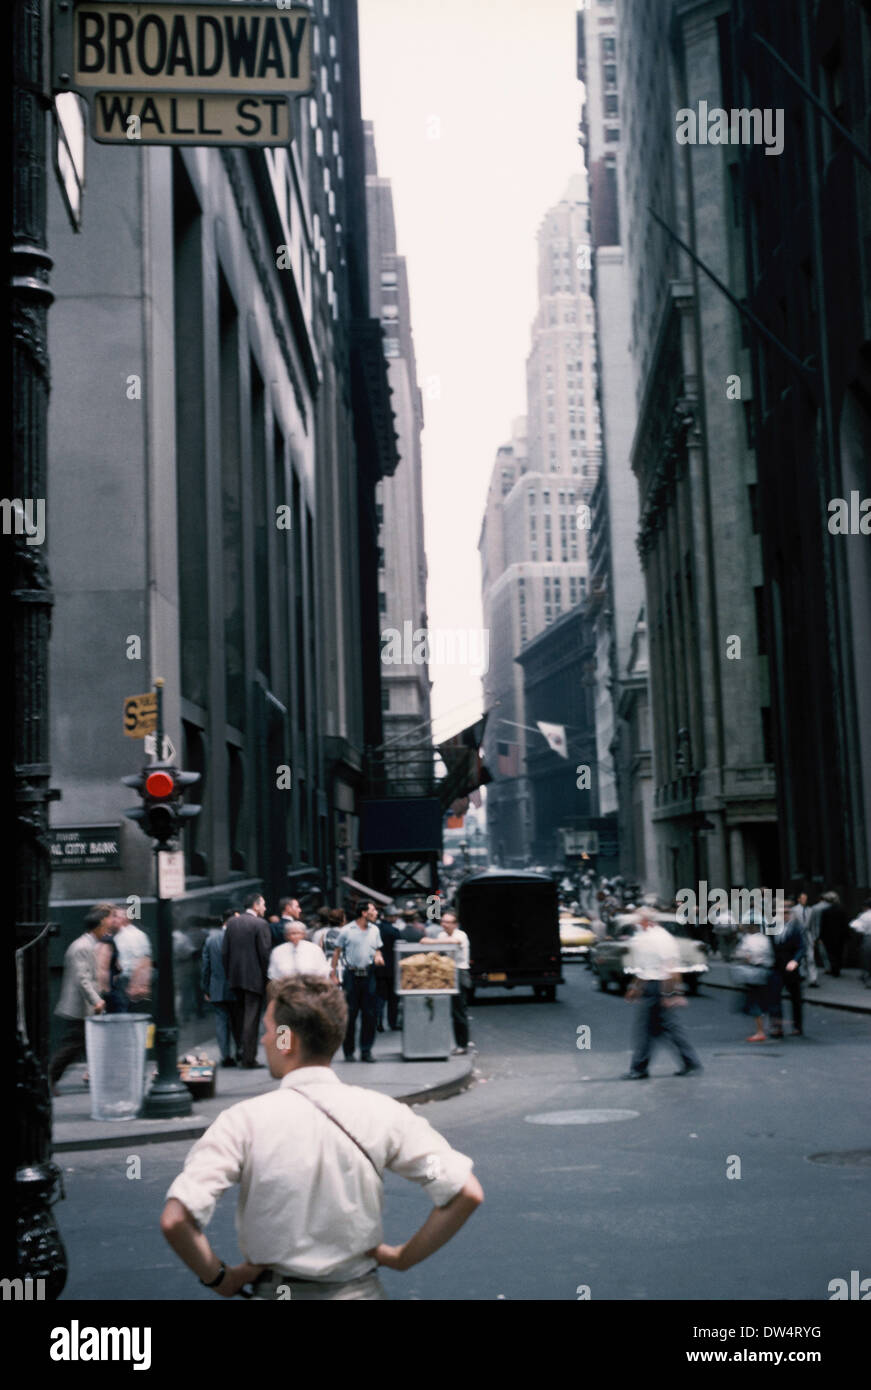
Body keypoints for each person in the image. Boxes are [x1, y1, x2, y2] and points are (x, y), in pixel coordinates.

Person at [160, 976, 483, 1300]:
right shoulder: (382, 1113)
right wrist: (402, 1258)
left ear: (287, 1039)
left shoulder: (242, 1122)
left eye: (269, 1030)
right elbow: (465, 1193)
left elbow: (177, 1220)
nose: (263, 1041)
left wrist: (221, 1278)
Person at [622, 908, 702, 1079]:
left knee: (648, 1028)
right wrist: (635, 987)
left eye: (638, 919)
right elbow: (644, 968)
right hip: (650, 985)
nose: (635, 923)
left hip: (658, 987)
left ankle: (639, 1068)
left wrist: (672, 993)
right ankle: (689, 1062)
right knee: (665, 1028)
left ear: (647, 920)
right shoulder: (644, 938)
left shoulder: (661, 938)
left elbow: (670, 967)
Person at [49, 903, 114, 1093]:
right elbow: (83, 979)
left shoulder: (88, 945)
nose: (109, 928)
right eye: (107, 924)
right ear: (100, 925)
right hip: (79, 1007)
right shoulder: (82, 947)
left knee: (87, 1044)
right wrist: (97, 1001)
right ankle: (49, 1077)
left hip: (86, 1006)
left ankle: (99, 1078)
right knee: (72, 1047)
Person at [222, 892, 271, 1068]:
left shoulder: (232, 923)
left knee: (239, 1017)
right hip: (254, 978)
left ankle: (241, 1050)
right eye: (263, 904)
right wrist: (267, 978)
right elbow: (264, 954)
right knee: (251, 1019)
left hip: (235, 978)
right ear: (256, 906)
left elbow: (225, 952)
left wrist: (230, 974)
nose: (265, 908)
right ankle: (248, 1058)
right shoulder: (260, 924)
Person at [330, 902, 384, 1063]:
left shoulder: (375, 930)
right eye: (373, 910)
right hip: (351, 976)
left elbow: (378, 948)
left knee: (370, 1014)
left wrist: (378, 956)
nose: (376, 913)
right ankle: (349, 1051)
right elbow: (337, 951)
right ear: (363, 913)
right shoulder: (347, 930)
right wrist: (333, 973)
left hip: (369, 975)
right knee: (350, 1015)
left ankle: (366, 1050)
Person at [423, 909, 472, 1054]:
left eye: (448, 922)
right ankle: (449, 1043)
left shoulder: (461, 935)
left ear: (455, 924)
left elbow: (453, 942)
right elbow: (438, 951)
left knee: (459, 1011)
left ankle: (462, 1044)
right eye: (443, 921)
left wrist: (430, 941)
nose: (444, 925)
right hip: (445, 973)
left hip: (459, 972)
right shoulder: (441, 935)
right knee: (448, 1011)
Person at [202, 908, 238, 1067]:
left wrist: (206, 988)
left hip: (217, 987)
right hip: (236, 987)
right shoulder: (238, 938)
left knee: (221, 1023)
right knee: (237, 1021)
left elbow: (206, 966)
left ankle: (225, 1056)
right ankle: (240, 1051)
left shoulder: (211, 940)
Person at [733, 915, 775, 1041]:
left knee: (754, 1001)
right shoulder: (765, 939)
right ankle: (768, 1027)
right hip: (766, 971)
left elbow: (742, 954)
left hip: (754, 973)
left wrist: (743, 956)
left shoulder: (748, 939)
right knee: (765, 1000)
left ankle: (760, 1031)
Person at [768, 905, 805, 1037]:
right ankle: (777, 1027)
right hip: (776, 967)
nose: (785, 915)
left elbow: (801, 947)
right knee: (774, 998)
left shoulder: (796, 929)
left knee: (796, 998)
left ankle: (797, 1027)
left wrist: (795, 960)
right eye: (781, 913)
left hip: (791, 967)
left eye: (787, 913)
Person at [113, 907, 153, 1013]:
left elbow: (142, 961)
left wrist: (136, 985)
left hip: (129, 980)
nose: (113, 920)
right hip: (123, 980)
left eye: (116, 916)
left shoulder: (134, 935)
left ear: (125, 918)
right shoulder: (119, 936)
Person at [374, 903, 403, 1033]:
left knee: (380, 997)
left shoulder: (376, 929)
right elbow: (399, 951)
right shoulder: (394, 932)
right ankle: (392, 1022)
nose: (396, 918)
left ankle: (379, 1021)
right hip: (392, 970)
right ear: (390, 917)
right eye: (395, 916)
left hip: (378, 968)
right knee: (393, 999)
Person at [789, 891, 818, 987]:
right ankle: (802, 974)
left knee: (811, 958)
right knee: (800, 958)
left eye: (806, 899)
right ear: (798, 900)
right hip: (799, 935)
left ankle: (813, 979)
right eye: (802, 898)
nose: (804, 900)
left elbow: (813, 924)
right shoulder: (794, 910)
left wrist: (814, 937)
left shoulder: (810, 910)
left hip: (808, 936)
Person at [819, 891, 849, 978]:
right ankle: (837, 968)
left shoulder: (826, 911)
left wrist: (821, 936)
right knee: (839, 953)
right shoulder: (842, 910)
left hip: (829, 936)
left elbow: (823, 925)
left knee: (831, 953)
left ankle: (834, 968)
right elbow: (844, 924)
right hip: (840, 936)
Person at [849, 898, 871, 987]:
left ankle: (868, 979)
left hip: (868, 938)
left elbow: (856, 927)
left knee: (867, 959)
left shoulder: (864, 915)